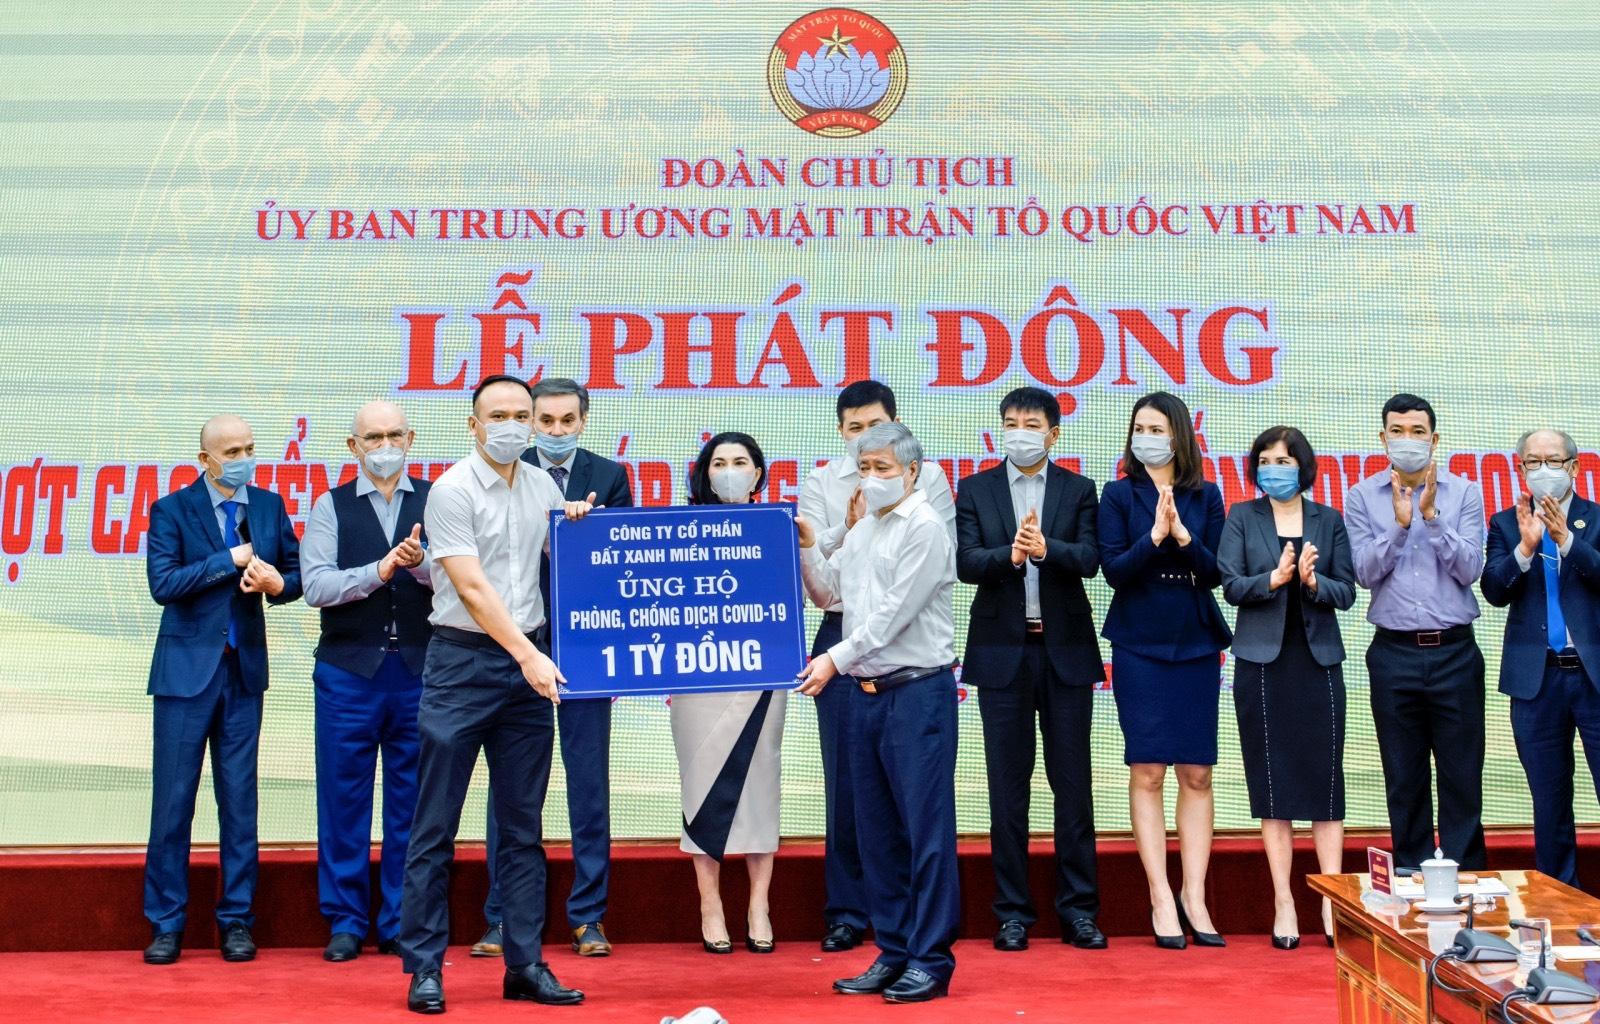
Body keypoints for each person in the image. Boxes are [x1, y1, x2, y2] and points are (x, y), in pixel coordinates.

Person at [397, 375, 595, 1014]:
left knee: (522, 828)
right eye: (498, 415)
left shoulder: (542, 486)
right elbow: (473, 589)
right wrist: (531, 655)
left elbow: (563, 561)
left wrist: (577, 525)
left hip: (526, 673)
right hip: (462, 664)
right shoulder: (451, 490)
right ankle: (425, 968)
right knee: (435, 826)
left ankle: (526, 965)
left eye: (521, 415)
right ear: (474, 424)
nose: (512, 425)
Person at [798, 421, 960, 1003]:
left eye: (883, 468)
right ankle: (893, 951)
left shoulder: (926, 528)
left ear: (912, 472)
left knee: (924, 832)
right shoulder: (865, 527)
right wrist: (808, 546)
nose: (872, 479)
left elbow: (893, 615)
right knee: (875, 833)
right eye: (864, 468)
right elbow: (829, 596)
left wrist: (832, 659)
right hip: (864, 696)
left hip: (917, 694)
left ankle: (930, 959)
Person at [474, 378, 632, 960]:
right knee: (512, 791)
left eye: (568, 421)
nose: (556, 431)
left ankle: (588, 916)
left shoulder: (608, 476)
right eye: (545, 421)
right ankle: (502, 917)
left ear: (583, 422)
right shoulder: (503, 474)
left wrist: (586, 532)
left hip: (586, 651)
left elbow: (621, 562)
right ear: (530, 421)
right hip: (518, 646)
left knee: (588, 786)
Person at [142, 414, 302, 965]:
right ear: (205, 459)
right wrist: (226, 560)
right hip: (185, 676)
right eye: (231, 452)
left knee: (239, 802)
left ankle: (236, 920)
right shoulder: (172, 510)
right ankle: (166, 923)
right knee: (173, 803)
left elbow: (297, 576)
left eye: (249, 449)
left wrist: (277, 584)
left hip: (243, 672)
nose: (243, 459)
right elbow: (164, 583)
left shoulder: (269, 506)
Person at [955, 387, 1107, 952]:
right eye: (1011, 422)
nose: (1020, 432)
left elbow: (1090, 559)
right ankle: (1012, 914)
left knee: (1073, 787)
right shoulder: (975, 489)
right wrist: (1012, 557)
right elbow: (966, 562)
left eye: (1031, 423)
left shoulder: (1078, 488)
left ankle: (1079, 911)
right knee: (1007, 789)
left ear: (1053, 433)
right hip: (1002, 655)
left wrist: (1044, 549)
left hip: (1064, 652)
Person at [1097, 391, 1230, 950]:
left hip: (1195, 639)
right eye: (1139, 428)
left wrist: (1183, 537)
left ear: (1178, 436)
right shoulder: (1117, 494)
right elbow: (1113, 571)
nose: (1145, 437)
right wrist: (1153, 537)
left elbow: (1217, 571)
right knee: (1148, 769)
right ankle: (1160, 895)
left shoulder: (1207, 495)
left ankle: (1194, 895)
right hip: (1139, 642)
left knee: (1197, 773)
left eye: (1156, 429)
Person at [301, 400, 431, 962]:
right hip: (348, 673)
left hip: (421, 672)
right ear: (352, 446)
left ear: (411, 438)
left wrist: (420, 564)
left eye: (394, 435)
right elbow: (316, 586)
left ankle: (401, 921)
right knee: (343, 799)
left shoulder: (439, 499)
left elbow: (462, 577)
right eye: (372, 437)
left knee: (413, 804)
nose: (385, 446)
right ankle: (346, 921)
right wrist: (379, 572)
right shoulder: (329, 506)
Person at [1218, 426, 1355, 949]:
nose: (1273, 469)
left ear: (1303, 466)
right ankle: (1284, 901)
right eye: (1266, 460)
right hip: (1261, 664)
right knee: (1273, 787)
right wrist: (1274, 580)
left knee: (1325, 786)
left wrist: (1315, 583)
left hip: (1318, 663)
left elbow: (1347, 591)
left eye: (1284, 460)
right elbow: (1230, 584)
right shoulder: (1241, 516)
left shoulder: (1329, 519)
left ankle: (1331, 900)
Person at [1345, 393, 1486, 870]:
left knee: (1462, 775)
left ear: (1434, 439)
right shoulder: (1362, 496)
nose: (1408, 440)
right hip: (1394, 653)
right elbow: (1363, 573)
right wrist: (1400, 527)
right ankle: (1411, 873)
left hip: (1455, 653)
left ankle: (1466, 877)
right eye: (1397, 432)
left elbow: (1470, 569)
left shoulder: (1463, 492)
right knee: (1403, 777)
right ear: (1382, 438)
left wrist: (1430, 517)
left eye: (1418, 432)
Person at [670, 432, 785, 955]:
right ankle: (709, 902)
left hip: (760, 674)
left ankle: (759, 903)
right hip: (697, 676)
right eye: (719, 462)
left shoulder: (779, 526)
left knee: (760, 784)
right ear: (705, 473)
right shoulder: (677, 531)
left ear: (758, 473)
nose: (730, 470)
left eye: (740, 461)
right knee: (701, 785)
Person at [1481, 429, 1600, 887]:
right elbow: (1494, 590)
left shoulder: (1596, 518)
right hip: (1537, 681)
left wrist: (1566, 541)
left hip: (1593, 677)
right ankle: (1560, 898)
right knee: (1549, 804)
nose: (1544, 469)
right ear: (1520, 468)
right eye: (1533, 461)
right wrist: (1525, 549)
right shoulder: (1505, 523)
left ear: (1575, 467)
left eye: (1554, 460)